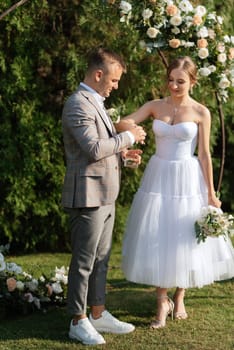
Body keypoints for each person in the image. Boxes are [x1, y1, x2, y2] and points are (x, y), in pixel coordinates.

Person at [118, 56, 234, 329]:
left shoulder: (201, 112)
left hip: (187, 177)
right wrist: (134, 131)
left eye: (180, 81)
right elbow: (123, 122)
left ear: (192, 81)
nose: (173, 85)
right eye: (170, 80)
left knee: (184, 237)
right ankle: (161, 301)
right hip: (159, 174)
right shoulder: (155, 106)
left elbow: (205, 154)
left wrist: (211, 192)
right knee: (157, 232)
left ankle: (179, 296)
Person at [61, 47, 146, 345]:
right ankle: (78, 320)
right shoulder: (77, 104)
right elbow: (94, 149)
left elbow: (104, 151)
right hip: (86, 196)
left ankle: (98, 313)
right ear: (98, 74)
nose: (116, 86)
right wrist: (129, 136)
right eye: (113, 80)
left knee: (101, 259)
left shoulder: (95, 101)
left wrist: (124, 156)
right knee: (84, 262)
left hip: (106, 194)